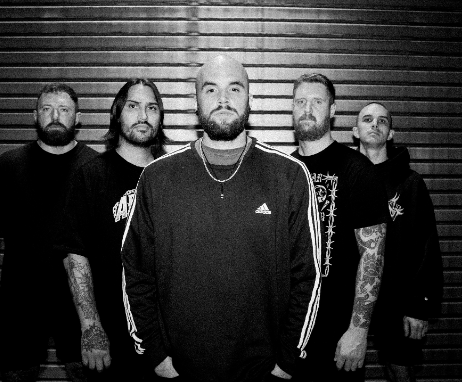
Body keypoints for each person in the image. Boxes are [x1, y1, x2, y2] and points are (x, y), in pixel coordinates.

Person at [121, 55, 322, 382]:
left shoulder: (289, 175)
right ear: (196, 101)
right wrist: (155, 354)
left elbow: (308, 276)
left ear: (250, 100)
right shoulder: (157, 177)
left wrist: (287, 362)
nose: (223, 99)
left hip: (264, 375)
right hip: (179, 373)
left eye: (235, 89)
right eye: (211, 89)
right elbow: (135, 271)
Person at [0, 83, 98, 381]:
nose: (55, 116)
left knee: (88, 374)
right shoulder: (7, 166)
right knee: (16, 375)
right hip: (21, 297)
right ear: (35, 115)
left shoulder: (96, 168)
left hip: (80, 299)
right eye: (47, 109)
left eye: (64, 110)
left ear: (78, 118)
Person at [58, 79, 167, 381]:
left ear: (160, 118)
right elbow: (74, 257)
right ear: (118, 114)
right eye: (133, 106)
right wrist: (91, 326)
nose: (143, 116)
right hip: (109, 340)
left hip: (163, 341)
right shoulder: (91, 175)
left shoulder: (171, 177)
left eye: (152, 108)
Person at [290, 73, 388, 382]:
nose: (307, 109)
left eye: (317, 102)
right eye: (300, 101)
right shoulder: (284, 170)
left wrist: (358, 329)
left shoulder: (358, 170)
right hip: (290, 335)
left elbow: (373, 256)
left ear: (332, 110)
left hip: (338, 338)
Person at [352, 102, 443, 382]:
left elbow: (426, 246)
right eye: (368, 119)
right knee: (343, 369)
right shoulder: (346, 179)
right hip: (351, 296)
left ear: (390, 133)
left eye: (382, 121)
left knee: (400, 370)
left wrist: (419, 306)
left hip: (398, 298)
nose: (375, 124)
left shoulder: (410, 183)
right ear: (355, 130)